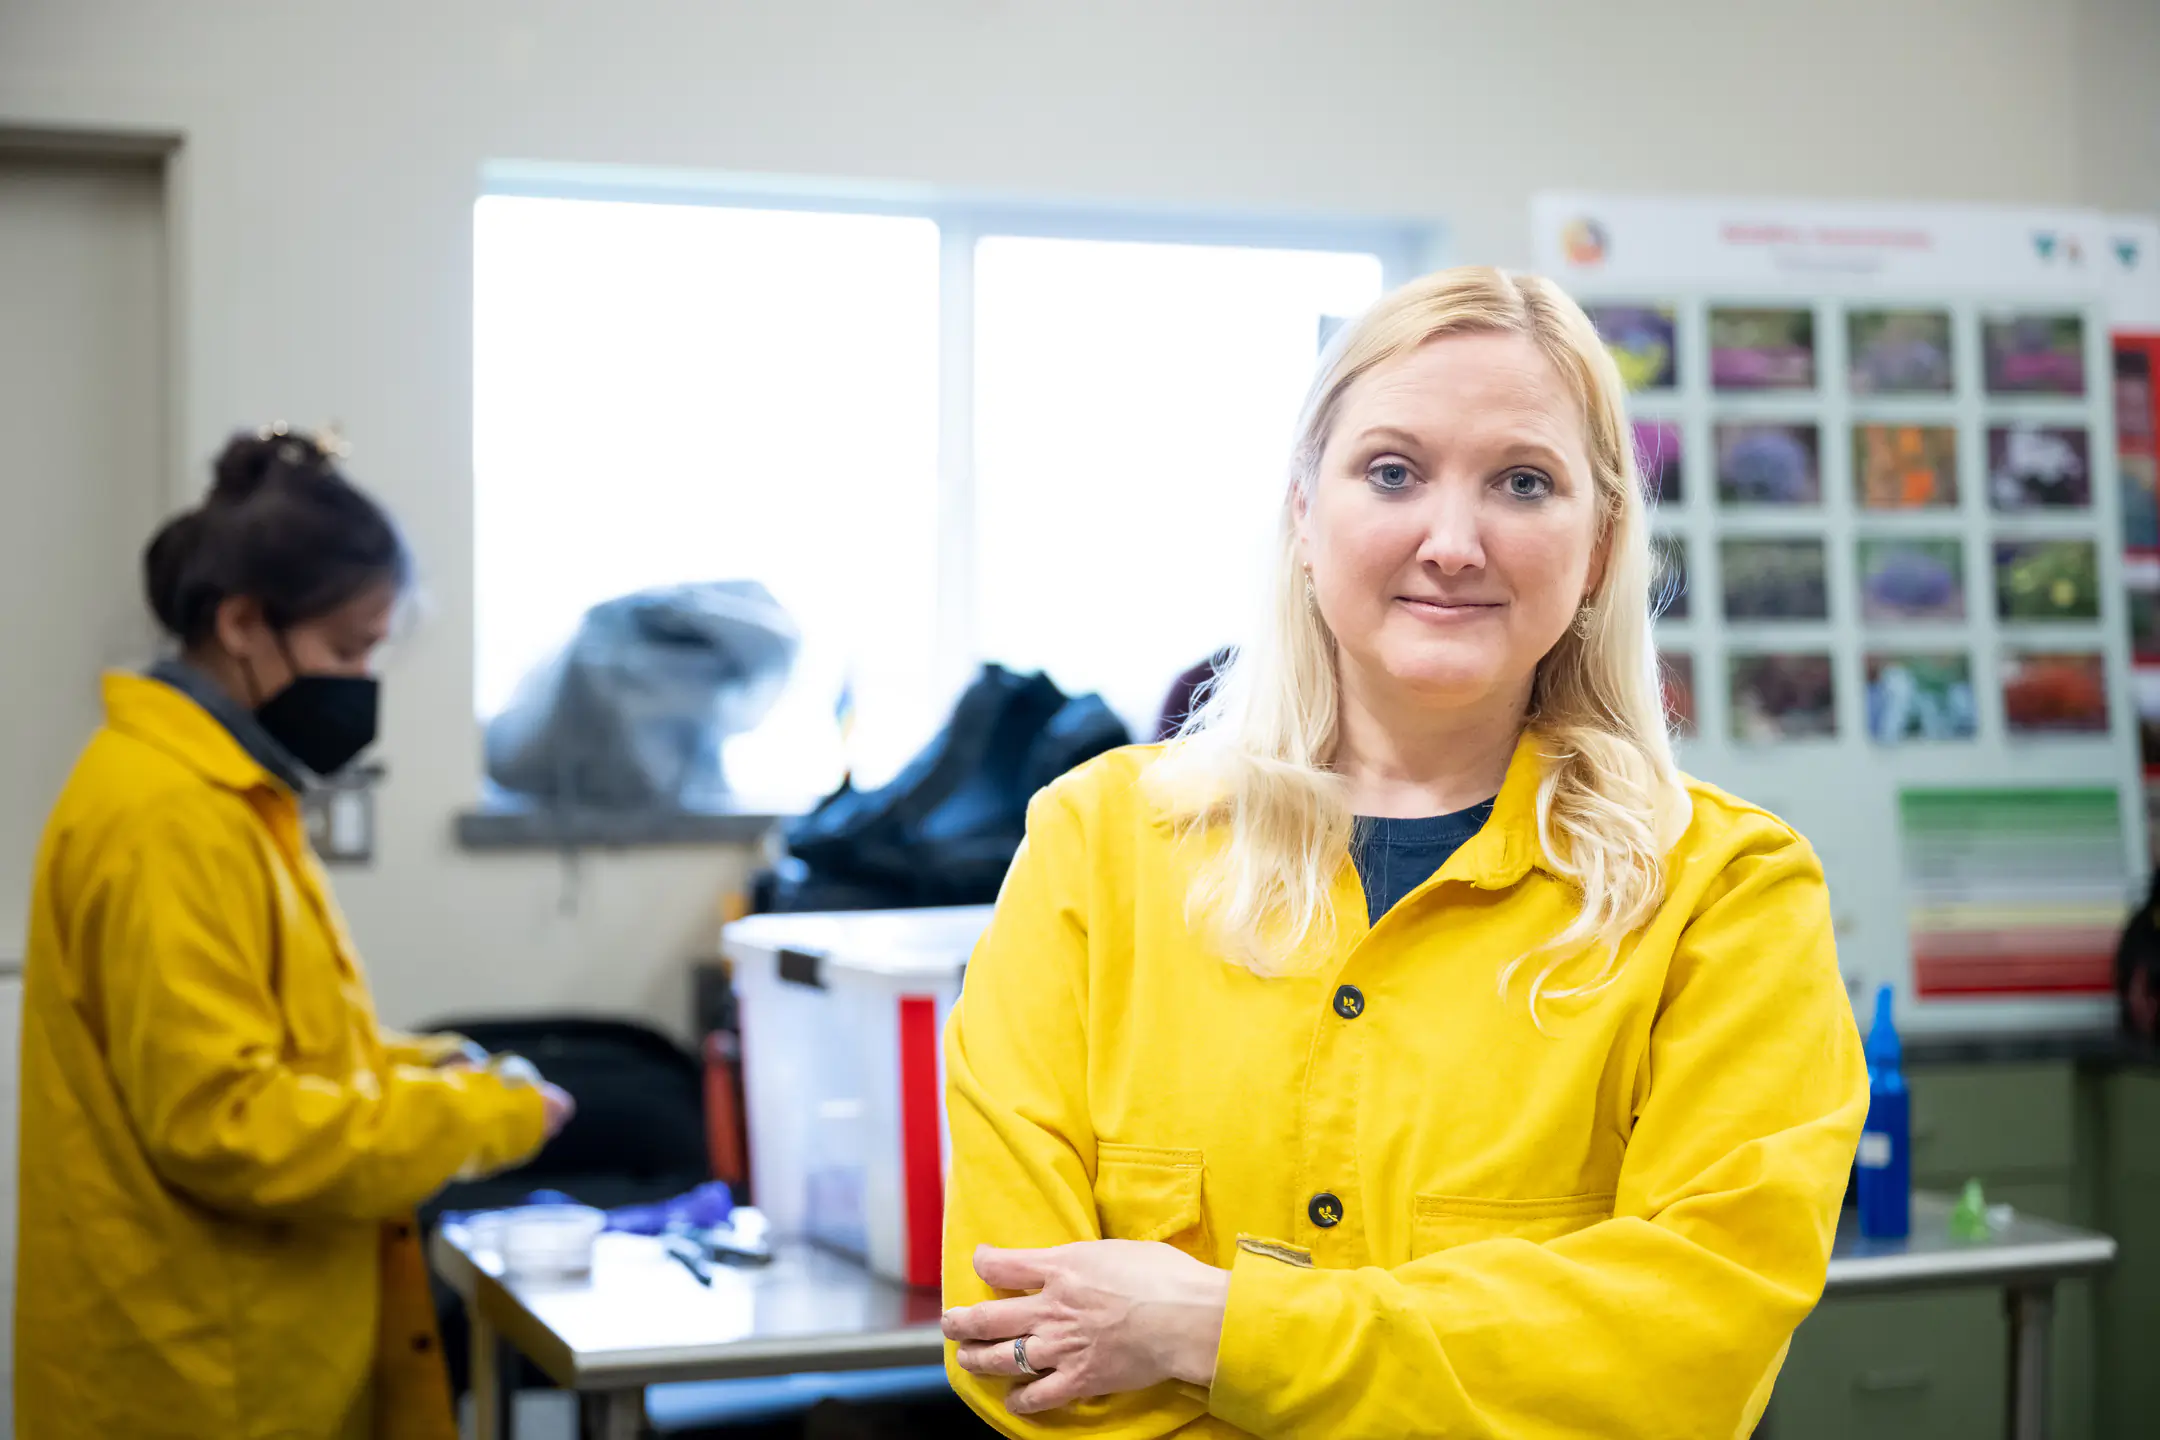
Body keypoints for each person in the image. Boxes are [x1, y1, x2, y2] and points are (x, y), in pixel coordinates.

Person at [940, 268, 1868, 1438]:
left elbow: (1687, 1353)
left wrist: (1213, 1332)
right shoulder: (1099, 846)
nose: (1452, 541)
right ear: (1303, 514)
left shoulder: (1726, 896)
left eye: (1523, 483)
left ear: (1597, 547)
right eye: (1392, 472)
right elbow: (1014, 1338)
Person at [16, 428, 574, 1440]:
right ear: (242, 623)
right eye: (348, 650)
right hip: (198, 1380)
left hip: (246, 1355)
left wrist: (433, 1070)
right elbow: (228, 1121)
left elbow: (283, 1046)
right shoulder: (165, 815)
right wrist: (472, 1122)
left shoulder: (224, 794)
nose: (362, 683)